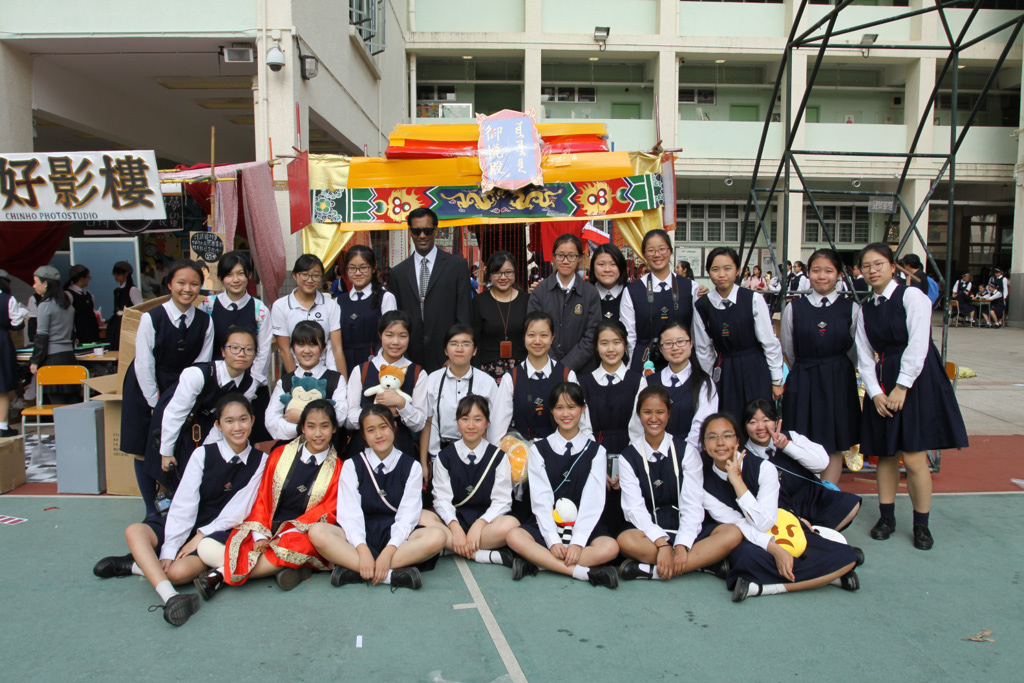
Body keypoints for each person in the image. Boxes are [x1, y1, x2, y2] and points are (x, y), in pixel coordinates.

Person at [93, 394, 267, 626]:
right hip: (184, 520)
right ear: (218, 425)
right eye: (229, 421)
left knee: (176, 573)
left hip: (218, 530)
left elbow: (239, 509)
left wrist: (200, 536)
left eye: (243, 419)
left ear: (253, 420)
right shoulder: (203, 454)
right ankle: (171, 597)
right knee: (134, 531)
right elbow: (184, 503)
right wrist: (169, 548)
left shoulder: (261, 461)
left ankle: (136, 566)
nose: (237, 427)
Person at [856, 242, 968, 550]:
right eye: (866, 266)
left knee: (915, 455)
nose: (872, 270)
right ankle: (887, 518)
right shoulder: (866, 309)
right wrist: (876, 393)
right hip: (884, 381)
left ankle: (921, 524)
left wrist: (902, 386)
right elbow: (864, 356)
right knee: (885, 453)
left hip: (916, 379)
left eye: (878, 264)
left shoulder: (912, 296)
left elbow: (919, 344)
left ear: (893, 267)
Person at [699, 413, 860, 602]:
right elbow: (740, 524)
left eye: (727, 435)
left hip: (779, 528)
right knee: (747, 559)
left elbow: (765, 521)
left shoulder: (764, 468)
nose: (720, 443)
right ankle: (830, 577)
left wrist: (738, 483)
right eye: (712, 437)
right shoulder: (703, 482)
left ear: (737, 441)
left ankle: (762, 588)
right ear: (704, 445)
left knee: (847, 556)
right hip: (748, 538)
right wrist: (775, 549)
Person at [194, 399, 343, 599]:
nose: (318, 433)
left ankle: (220, 574)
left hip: (298, 533)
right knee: (207, 547)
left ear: (334, 428)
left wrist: (285, 535)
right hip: (265, 526)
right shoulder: (280, 454)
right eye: (311, 426)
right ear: (302, 429)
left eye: (324, 426)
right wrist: (261, 537)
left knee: (297, 546)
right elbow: (262, 497)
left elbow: (326, 511)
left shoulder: (338, 469)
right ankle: (284, 566)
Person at [309, 405, 446, 590]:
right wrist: (362, 548)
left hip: (396, 533)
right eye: (371, 430)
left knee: (437, 536)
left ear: (394, 427)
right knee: (317, 532)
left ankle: (358, 570)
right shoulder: (352, 465)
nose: (379, 435)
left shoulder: (411, 466)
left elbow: (407, 516)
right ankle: (391, 575)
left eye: (383, 427)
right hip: (362, 531)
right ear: (363, 435)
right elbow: (350, 514)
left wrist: (390, 550)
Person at [616, 386, 742, 581]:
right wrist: (662, 544)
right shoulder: (628, 457)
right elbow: (634, 508)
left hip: (688, 530)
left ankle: (652, 571)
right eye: (647, 412)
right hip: (649, 533)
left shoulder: (687, 452)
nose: (654, 418)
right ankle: (701, 564)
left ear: (669, 414)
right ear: (639, 415)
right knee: (625, 541)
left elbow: (693, 504)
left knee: (732, 532)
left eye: (660, 412)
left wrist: (682, 544)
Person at [122, 260, 214, 520]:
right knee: (144, 448)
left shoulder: (205, 321)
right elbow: (144, 363)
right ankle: (151, 508)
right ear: (169, 284)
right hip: (145, 387)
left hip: (183, 387)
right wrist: (155, 403)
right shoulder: (151, 318)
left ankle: (172, 501)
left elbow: (202, 363)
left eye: (194, 284)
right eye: (181, 283)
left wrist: (186, 398)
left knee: (179, 445)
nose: (187, 289)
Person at [504, 382, 619, 587]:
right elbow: (541, 499)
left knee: (610, 548)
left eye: (572, 407)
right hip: (548, 522)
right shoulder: (539, 449)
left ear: (583, 409)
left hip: (583, 524)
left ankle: (539, 563)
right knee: (514, 536)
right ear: (551, 410)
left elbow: (593, 501)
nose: (566, 414)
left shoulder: (597, 451)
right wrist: (553, 540)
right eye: (559, 407)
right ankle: (582, 572)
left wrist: (577, 542)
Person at [780, 248, 860, 483]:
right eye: (816, 270)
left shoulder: (851, 308)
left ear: (839, 274)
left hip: (838, 380)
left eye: (828, 271)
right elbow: (788, 349)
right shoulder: (794, 308)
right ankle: (806, 493)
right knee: (802, 438)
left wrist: (835, 367)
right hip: (804, 378)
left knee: (833, 441)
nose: (822, 276)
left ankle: (828, 493)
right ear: (808, 273)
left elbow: (855, 350)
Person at [146, 327, 259, 488]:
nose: (241, 354)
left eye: (248, 349)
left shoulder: (249, 384)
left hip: (211, 423)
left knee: (203, 469)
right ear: (223, 351)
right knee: (173, 470)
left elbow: (226, 421)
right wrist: (166, 452)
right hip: (180, 420)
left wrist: (207, 453)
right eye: (234, 348)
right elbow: (175, 413)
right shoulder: (198, 374)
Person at [423, 395, 519, 566]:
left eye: (478, 419)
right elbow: (442, 499)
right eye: (465, 419)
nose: (471, 426)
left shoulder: (498, 457)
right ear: (457, 422)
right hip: (454, 518)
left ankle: (449, 548)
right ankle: (479, 553)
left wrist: (480, 524)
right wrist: (455, 528)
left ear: (487, 423)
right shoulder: (444, 456)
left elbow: (502, 501)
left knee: (511, 524)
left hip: (486, 523)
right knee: (421, 517)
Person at [743, 398, 861, 531]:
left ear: (776, 422)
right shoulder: (744, 456)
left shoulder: (791, 437)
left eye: (766, 420)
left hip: (813, 498)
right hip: (781, 511)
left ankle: (819, 535)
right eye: (753, 422)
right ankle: (814, 536)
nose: (760, 427)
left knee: (850, 504)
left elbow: (821, 464)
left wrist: (787, 446)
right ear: (745, 426)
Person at [693, 247, 783, 419]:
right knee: (729, 419)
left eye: (727, 268)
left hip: (755, 368)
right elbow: (704, 349)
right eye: (715, 269)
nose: (721, 274)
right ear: (708, 272)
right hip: (725, 370)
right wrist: (710, 381)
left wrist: (776, 379)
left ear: (738, 270)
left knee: (758, 419)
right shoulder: (702, 305)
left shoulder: (753, 299)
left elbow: (769, 342)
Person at [579, 320, 646, 538]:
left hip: (629, 452)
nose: (611, 349)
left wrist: (625, 466)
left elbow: (638, 428)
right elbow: (584, 427)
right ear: (596, 347)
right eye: (604, 343)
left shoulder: (637, 381)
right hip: (594, 453)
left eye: (616, 342)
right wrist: (599, 463)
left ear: (625, 345)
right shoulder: (584, 383)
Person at [388, 208, 473, 372]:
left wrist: (456, 354)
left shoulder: (457, 266)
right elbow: (396, 318)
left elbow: (464, 315)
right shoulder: (398, 273)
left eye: (427, 231)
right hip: (409, 357)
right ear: (410, 232)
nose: (422, 236)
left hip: (447, 356)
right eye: (416, 231)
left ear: (436, 230)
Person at [490, 311, 590, 441]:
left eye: (544, 335)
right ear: (524, 337)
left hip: (560, 449)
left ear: (552, 338)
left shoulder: (566, 375)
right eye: (531, 335)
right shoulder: (511, 378)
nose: (537, 341)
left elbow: (583, 424)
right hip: (523, 451)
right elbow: (497, 431)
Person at [419, 325, 499, 485]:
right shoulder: (432, 379)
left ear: (474, 351)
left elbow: (492, 426)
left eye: (466, 344)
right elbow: (426, 423)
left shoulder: (487, 382)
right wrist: (423, 464)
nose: (460, 349)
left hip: (476, 458)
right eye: (454, 343)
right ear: (445, 350)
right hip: (439, 457)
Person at [345, 310, 427, 456]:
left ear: (409, 337)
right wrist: (378, 411)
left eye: (402, 336)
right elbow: (349, 420)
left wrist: (401, 404)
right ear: (380, 335)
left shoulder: (417, 373)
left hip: (402, 450)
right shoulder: (361, 370)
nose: (395, 342)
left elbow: (419, 424)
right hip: (363, 450)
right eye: (389, 335)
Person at [628, 321, 716, 453]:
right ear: (661, 348)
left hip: (691, 456)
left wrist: (684, 454)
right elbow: (637, 425)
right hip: (652, 454)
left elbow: (702, 425)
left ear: (691, 344)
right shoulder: (649, 381)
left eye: (681, 341)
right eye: (668, 343)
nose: (675, 347)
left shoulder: (704, 383)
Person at [621, 229, 701, 374]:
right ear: (644, 254)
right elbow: (629, 337)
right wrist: (631, 370)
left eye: (662, 249)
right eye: (651, 250)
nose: (657, 254)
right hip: (646, 363)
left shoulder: (691, 288)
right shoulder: (632, 291)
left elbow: (697, 334)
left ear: (670, 251)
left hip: (683, 361)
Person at [198, 251, 272, 391]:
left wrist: (252, 385)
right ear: (221, 277)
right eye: (229, 275)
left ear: (249, 275)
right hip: (215, 381)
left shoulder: (259, 309)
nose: (235, 280)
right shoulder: (208, 305)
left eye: (240, 274)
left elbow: (263, 351)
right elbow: (202, 346)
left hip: (249, 382)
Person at [527, 233, 601, 373]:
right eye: (560, 255)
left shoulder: (590, 293)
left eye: (571, 256)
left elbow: (592, 335)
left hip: (582, 371)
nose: (565, 261)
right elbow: (533, 331)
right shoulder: (540, 291)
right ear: (553, 257)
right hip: (546, 369)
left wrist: (565, 367)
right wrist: (554, 366)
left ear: (579, 258)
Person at [265, 321, 347, 445]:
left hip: (328, 448)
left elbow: (340, 416)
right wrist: (303, 428)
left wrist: (301, 417)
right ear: (293, 348)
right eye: (301, 344)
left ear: (323, 348)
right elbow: (271, 422)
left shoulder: (336, 379)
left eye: (313, 345)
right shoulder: (285, 382)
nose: (307, 350)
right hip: (291, 448)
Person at [271, 254, 346, 377]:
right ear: (294, 275)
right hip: (294, 369)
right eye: (304, 275)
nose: (310, 280)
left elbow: (337, 348)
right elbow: (285, 350)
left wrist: (342, 381)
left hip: (324, 370)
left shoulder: (331, 305)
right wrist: (295, 382)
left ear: (322, 277)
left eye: (315, 275)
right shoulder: (280, 306)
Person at [337, 245, 397, 373]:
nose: (358, 273)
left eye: (363, 267)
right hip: (345, 362)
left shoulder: (385, 297)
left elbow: (391, 336)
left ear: (374, 268)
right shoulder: (339, 301)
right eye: (352, 268)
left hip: (375, 361)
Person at [472, 251, 529, 380]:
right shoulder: (479, 301)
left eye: (508, 272)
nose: (503, 277)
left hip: (521, 368)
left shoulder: (527, 300)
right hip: (488, 371)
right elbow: (475, 340)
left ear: (515, 273)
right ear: (490, 275)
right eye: (497, 272)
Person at [29, 265, 76, 382]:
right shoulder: (68, 305)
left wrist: (35, 361)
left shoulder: (45, 305)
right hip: (69, 356)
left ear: (45, 283)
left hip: (52, 358)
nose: (34, 286)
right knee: (70, 393)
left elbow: (41, 336)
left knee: (53, 393)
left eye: (35, 282)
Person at [0, 270, 27, 437]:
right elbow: (17, 324)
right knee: (2, 386)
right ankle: (2, 427)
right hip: (1, 342)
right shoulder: (7, 299)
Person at [589, 243, 629, 333]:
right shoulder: (586, 293)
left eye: (613, 264)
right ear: (593, 267)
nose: (607, 269)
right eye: (601, 264)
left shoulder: (632, 293)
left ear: (621, 267)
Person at [107, 261, 142, 351]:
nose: (116, 276)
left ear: (126, 274)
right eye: (114, 274)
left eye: (118, 274)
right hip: (117, 323)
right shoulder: (116, 291)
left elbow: (140, 308)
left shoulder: (132, 289)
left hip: (128, 323)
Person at [65, 265, 100, 344]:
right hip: (78, 336)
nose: (89, 279)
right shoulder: (68, 295)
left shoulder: (88, 295)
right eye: (88, 277)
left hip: (92, 335)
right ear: (81, 279)